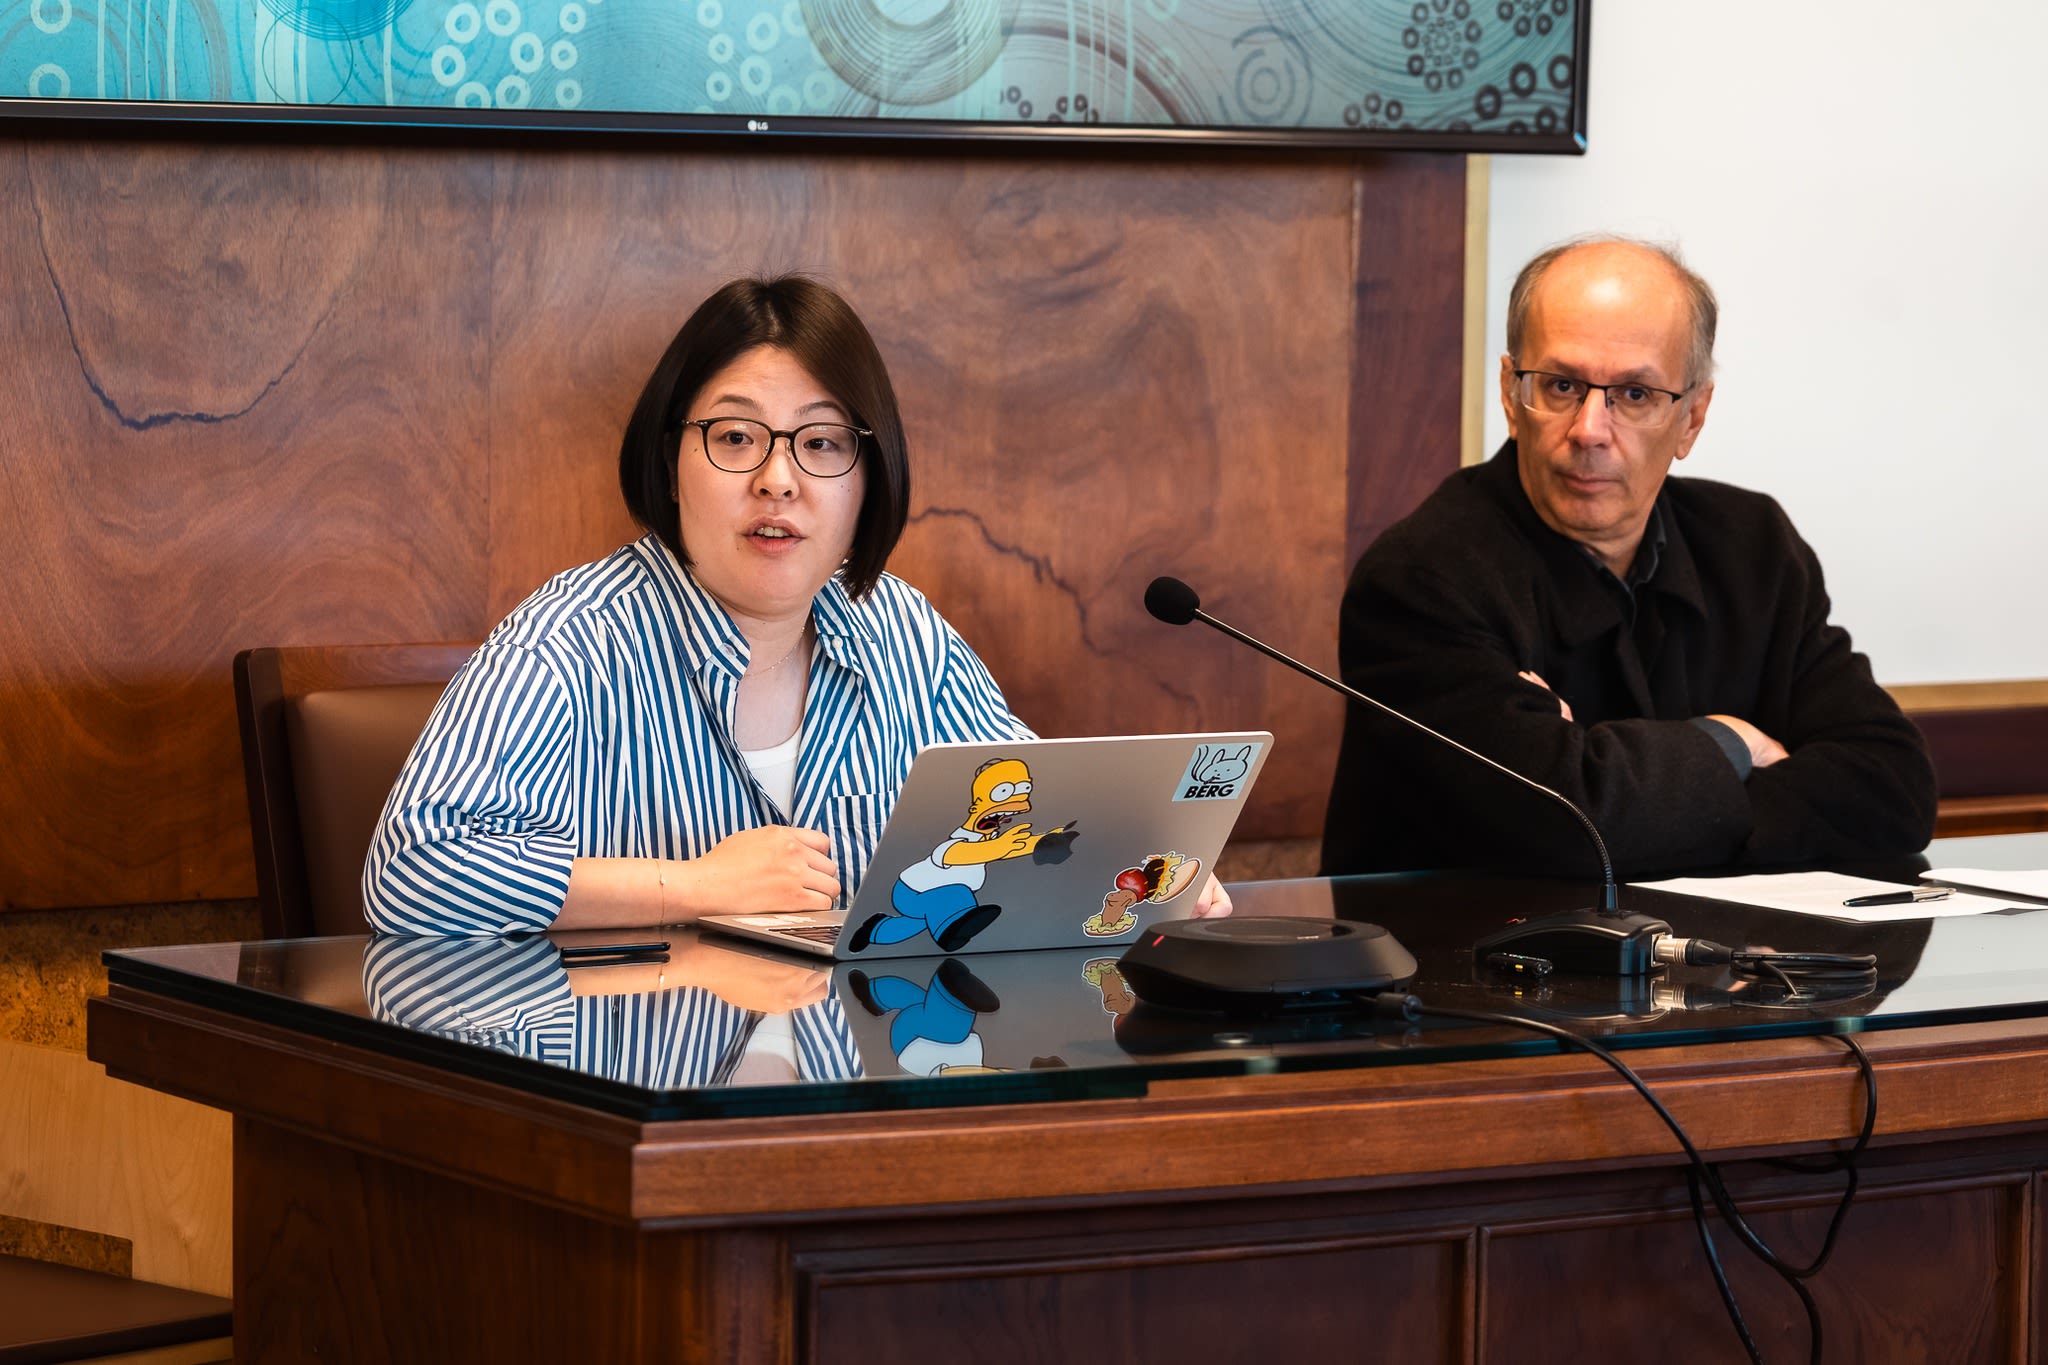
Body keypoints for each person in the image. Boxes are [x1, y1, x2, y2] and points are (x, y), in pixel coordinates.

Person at [365, 276, 1231, 934]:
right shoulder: (570, 642)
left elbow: (1040, 811)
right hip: (641, 1090)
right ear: (670, 460)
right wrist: (693, 886)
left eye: (820, 443)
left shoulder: (901, 632)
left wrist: (1140, 866)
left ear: (867, 479)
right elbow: (412, 872)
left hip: (866, 1083)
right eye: (736, 436)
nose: (778, 478)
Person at [1320, 237, 1937, 879]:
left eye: (1635, 394)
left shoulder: (1753, 548)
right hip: (1471, 944)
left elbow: (1894, 787)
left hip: (1717, 945)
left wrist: (1612, 787)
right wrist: (1729, 743)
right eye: (1561, 386)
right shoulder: (1420, 579)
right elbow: (1565, 826)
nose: (1589, 430)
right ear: (1510, 394)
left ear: (1692, 418)